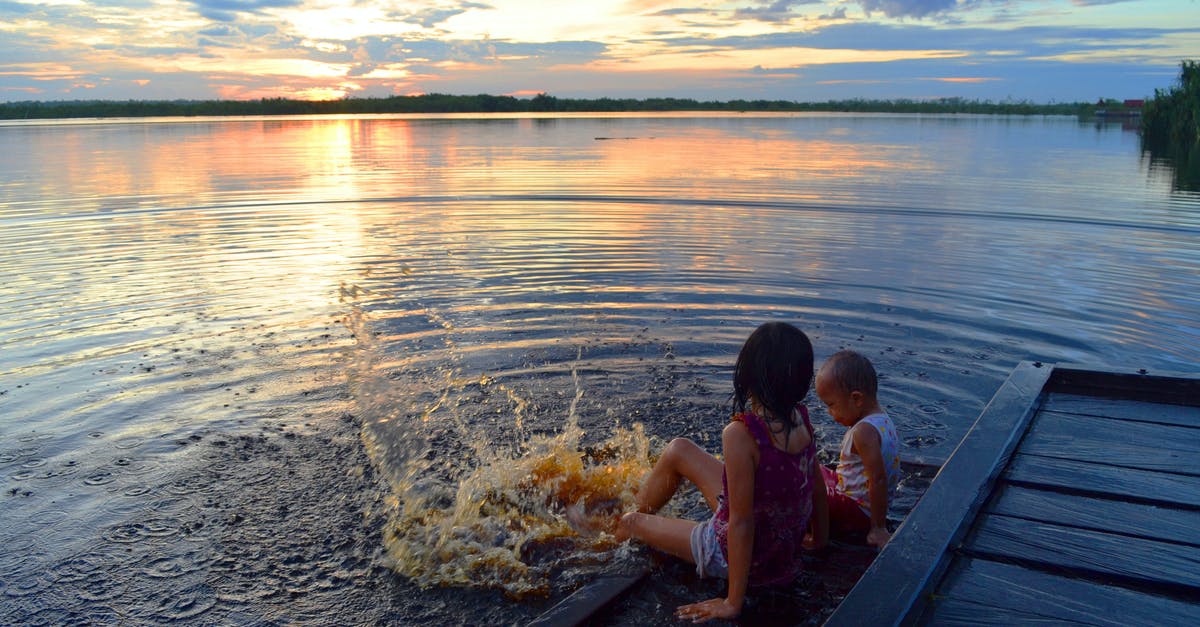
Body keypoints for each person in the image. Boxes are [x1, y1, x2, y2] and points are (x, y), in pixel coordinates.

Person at [615, 322, 828, 623]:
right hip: (779, 545)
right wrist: (820, 540)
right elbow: (817, 487)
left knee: (630, 522)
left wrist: (732, 602)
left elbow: (741, 522)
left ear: (750, 375)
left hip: (737, 553)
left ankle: (609, 534)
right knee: (679, 449)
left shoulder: (741, 434)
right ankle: (637, 511)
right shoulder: (801, 418)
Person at [814, 350, 901, 549]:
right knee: (813, 469)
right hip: (862, 503)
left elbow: (878, 479)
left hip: (856, 512)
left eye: (832, 405)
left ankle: (815, 535)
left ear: (857, 399)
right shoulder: (882, 419)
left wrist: (878, 527)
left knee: (805, 488)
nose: (830, 413)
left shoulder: (863, 432)